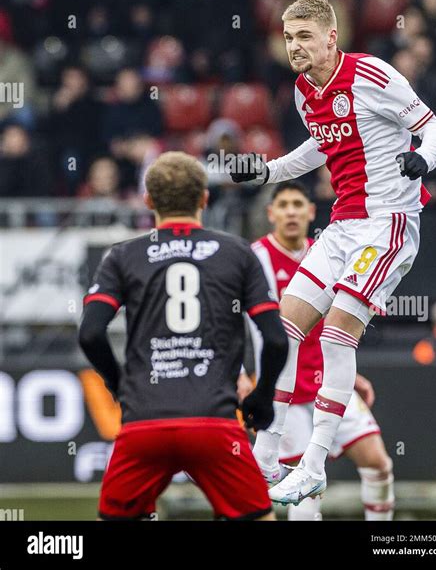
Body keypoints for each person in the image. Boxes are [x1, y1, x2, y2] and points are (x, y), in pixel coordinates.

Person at [230, 0, 436, 505]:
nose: (295, 48)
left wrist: (423, 160)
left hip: (388, 224)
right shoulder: (304, 91)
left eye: (304, 37)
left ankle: (312, 465)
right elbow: (318, 146)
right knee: (280, 330)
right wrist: (268, 171)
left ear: (332, 37)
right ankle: (267, 457)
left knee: (335, 335)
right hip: (342, 225)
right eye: (288, 39)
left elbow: (435, 129)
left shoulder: (372, 74)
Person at [78, 151, 288, 520]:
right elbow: (275, 338)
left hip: (144, 423)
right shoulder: (235, 252)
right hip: (215, 423)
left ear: (148, 200)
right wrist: (263, 397)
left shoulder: (124, 256)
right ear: (205, 198)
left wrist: (120, 387)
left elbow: (91, 333)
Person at [248, 181, 394, 520]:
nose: (291, 212)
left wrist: (350, 376)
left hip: (326, 383)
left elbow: (339, 329)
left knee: (378, 463)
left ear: (312, 212)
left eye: (298, 204)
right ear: (271, 214)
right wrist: (242, 376)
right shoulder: (255, 259)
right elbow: (228, 323)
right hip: (287, 394)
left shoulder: (328, 252)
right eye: (282, 205)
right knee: (304, 493)